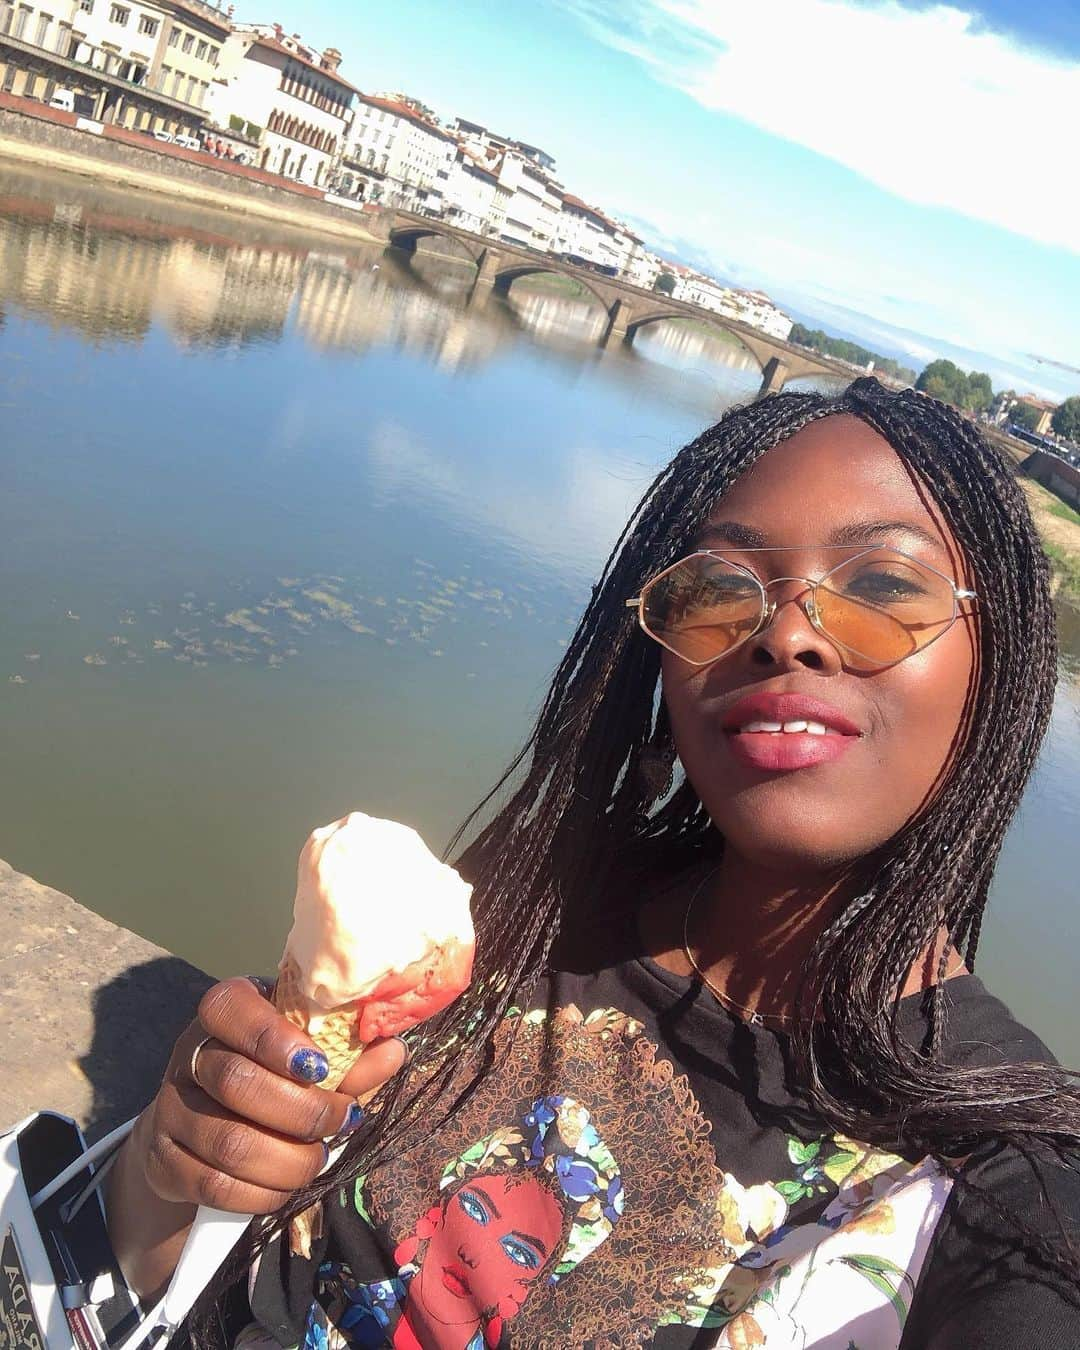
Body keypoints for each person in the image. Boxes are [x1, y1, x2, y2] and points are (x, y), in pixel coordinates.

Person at [106, 378, 1080, 1348]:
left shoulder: (1007, 1178)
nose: (786, 633)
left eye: (881, 588)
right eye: (717, 590)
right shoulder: (539, 907)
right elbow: (172, 1272)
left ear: (997, 665)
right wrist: (173, 1162)